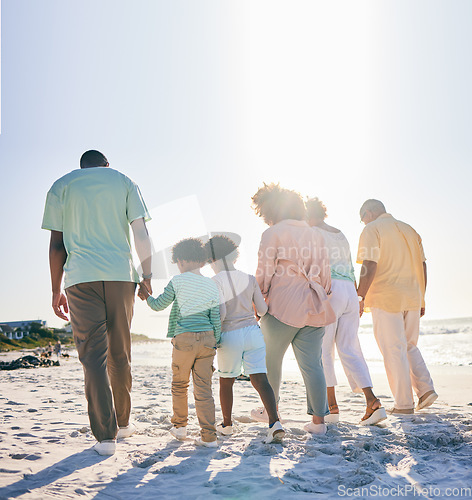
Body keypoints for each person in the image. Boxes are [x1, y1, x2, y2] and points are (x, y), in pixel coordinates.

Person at [42, 150, 152, 455]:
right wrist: (147, 274)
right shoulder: (124, 182)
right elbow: (141, 232)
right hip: (120, 274)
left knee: (92, 356)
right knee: (121, 351)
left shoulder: (61, 186)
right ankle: (125, 422)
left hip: (79, 278)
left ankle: (105, 437)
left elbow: (56, 245)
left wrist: (55, 290)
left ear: (82, 167)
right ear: (106, 165)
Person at [251, 183, 336, 435]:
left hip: (282, 306)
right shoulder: (316, 234)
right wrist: (323, 294)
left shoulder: (272, 233)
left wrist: (259, 302)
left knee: (271, 362)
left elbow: (264, 273)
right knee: (313, 364)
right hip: (315, 303)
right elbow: (326, 274)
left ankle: (272, 412)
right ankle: (319, 423)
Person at [306, 197, 386, 426]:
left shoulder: (311, 233)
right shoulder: (339, 233)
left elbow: (312, 265)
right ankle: (372, 401)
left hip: (330, 290)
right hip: (350, 291)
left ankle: (331, 407)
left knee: (324, 350)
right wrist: (359, 296)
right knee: (350, 348)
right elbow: (351, 265)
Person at [357, 199, 437, 414]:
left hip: (386, 295)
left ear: (369, 212)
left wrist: (360, 295)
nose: (362, 222)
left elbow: (369, 263)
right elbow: (423, 266)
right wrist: (422, 297)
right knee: (409, 345)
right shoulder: (410, 230)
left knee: (393, 349)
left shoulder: (372, 229)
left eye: (362, 217)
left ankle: (403, 405)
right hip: (412, 295)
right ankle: (425, 389)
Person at [138, 238, 220, 447]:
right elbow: (216, 317)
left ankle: (180, 428)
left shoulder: (178, 280)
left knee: (180, 384)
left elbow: (158, 305)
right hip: (208, 338)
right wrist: (215, 341)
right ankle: (209, 436)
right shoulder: (211, 284)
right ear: (202, 262)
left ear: (181, 261)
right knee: (204, 389)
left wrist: (146, 296)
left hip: (184, 338)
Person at [205, 235, 285, 444]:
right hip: (252, 332)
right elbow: (263, 309)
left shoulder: (215, 281)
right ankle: (274, 422)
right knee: (260, 379)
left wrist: (214, 334)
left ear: (214, 260)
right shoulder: (249, 278)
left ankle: (227, 424)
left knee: (226, 380)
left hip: (229, 334)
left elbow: (221, 313)